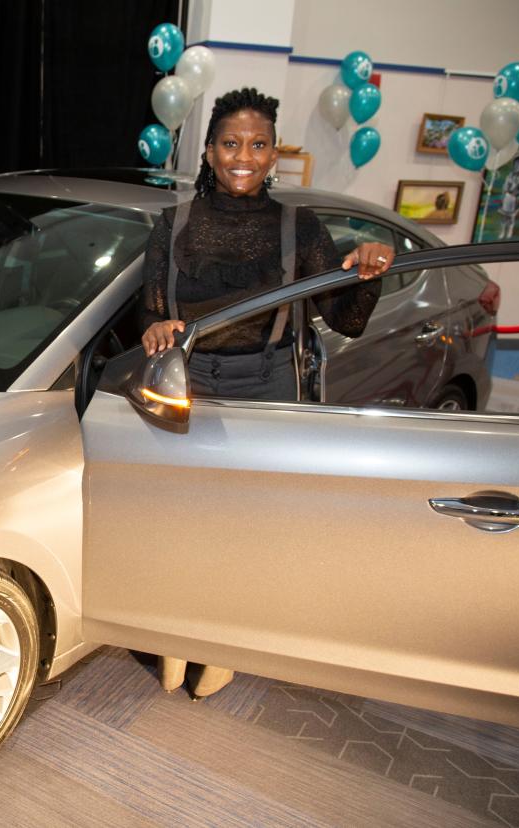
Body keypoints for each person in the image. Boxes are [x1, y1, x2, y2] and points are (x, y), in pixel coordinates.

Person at [139, 87, 393, 698]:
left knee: (248, 523)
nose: (242, 156)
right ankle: (179, 636)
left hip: (268, 380)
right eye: (230, 143)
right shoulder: (172, 224)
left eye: (257, 144)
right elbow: (150, 315)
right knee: (185, 520)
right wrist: (153, 327)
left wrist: (368, 269)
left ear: (274, 152)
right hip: (189, 382)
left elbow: (347, 320)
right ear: (208, 149)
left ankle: (225, 645)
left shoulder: (298, 226)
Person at [498, 155, 519, 240]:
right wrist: (502, 198)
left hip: (516, 198)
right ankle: (502, 231)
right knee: (504, 216)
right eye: (516, 164)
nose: (517, 166)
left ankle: (509, 231)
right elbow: (504, 187)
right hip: (507, 197)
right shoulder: (510, 175)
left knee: (511, 217)